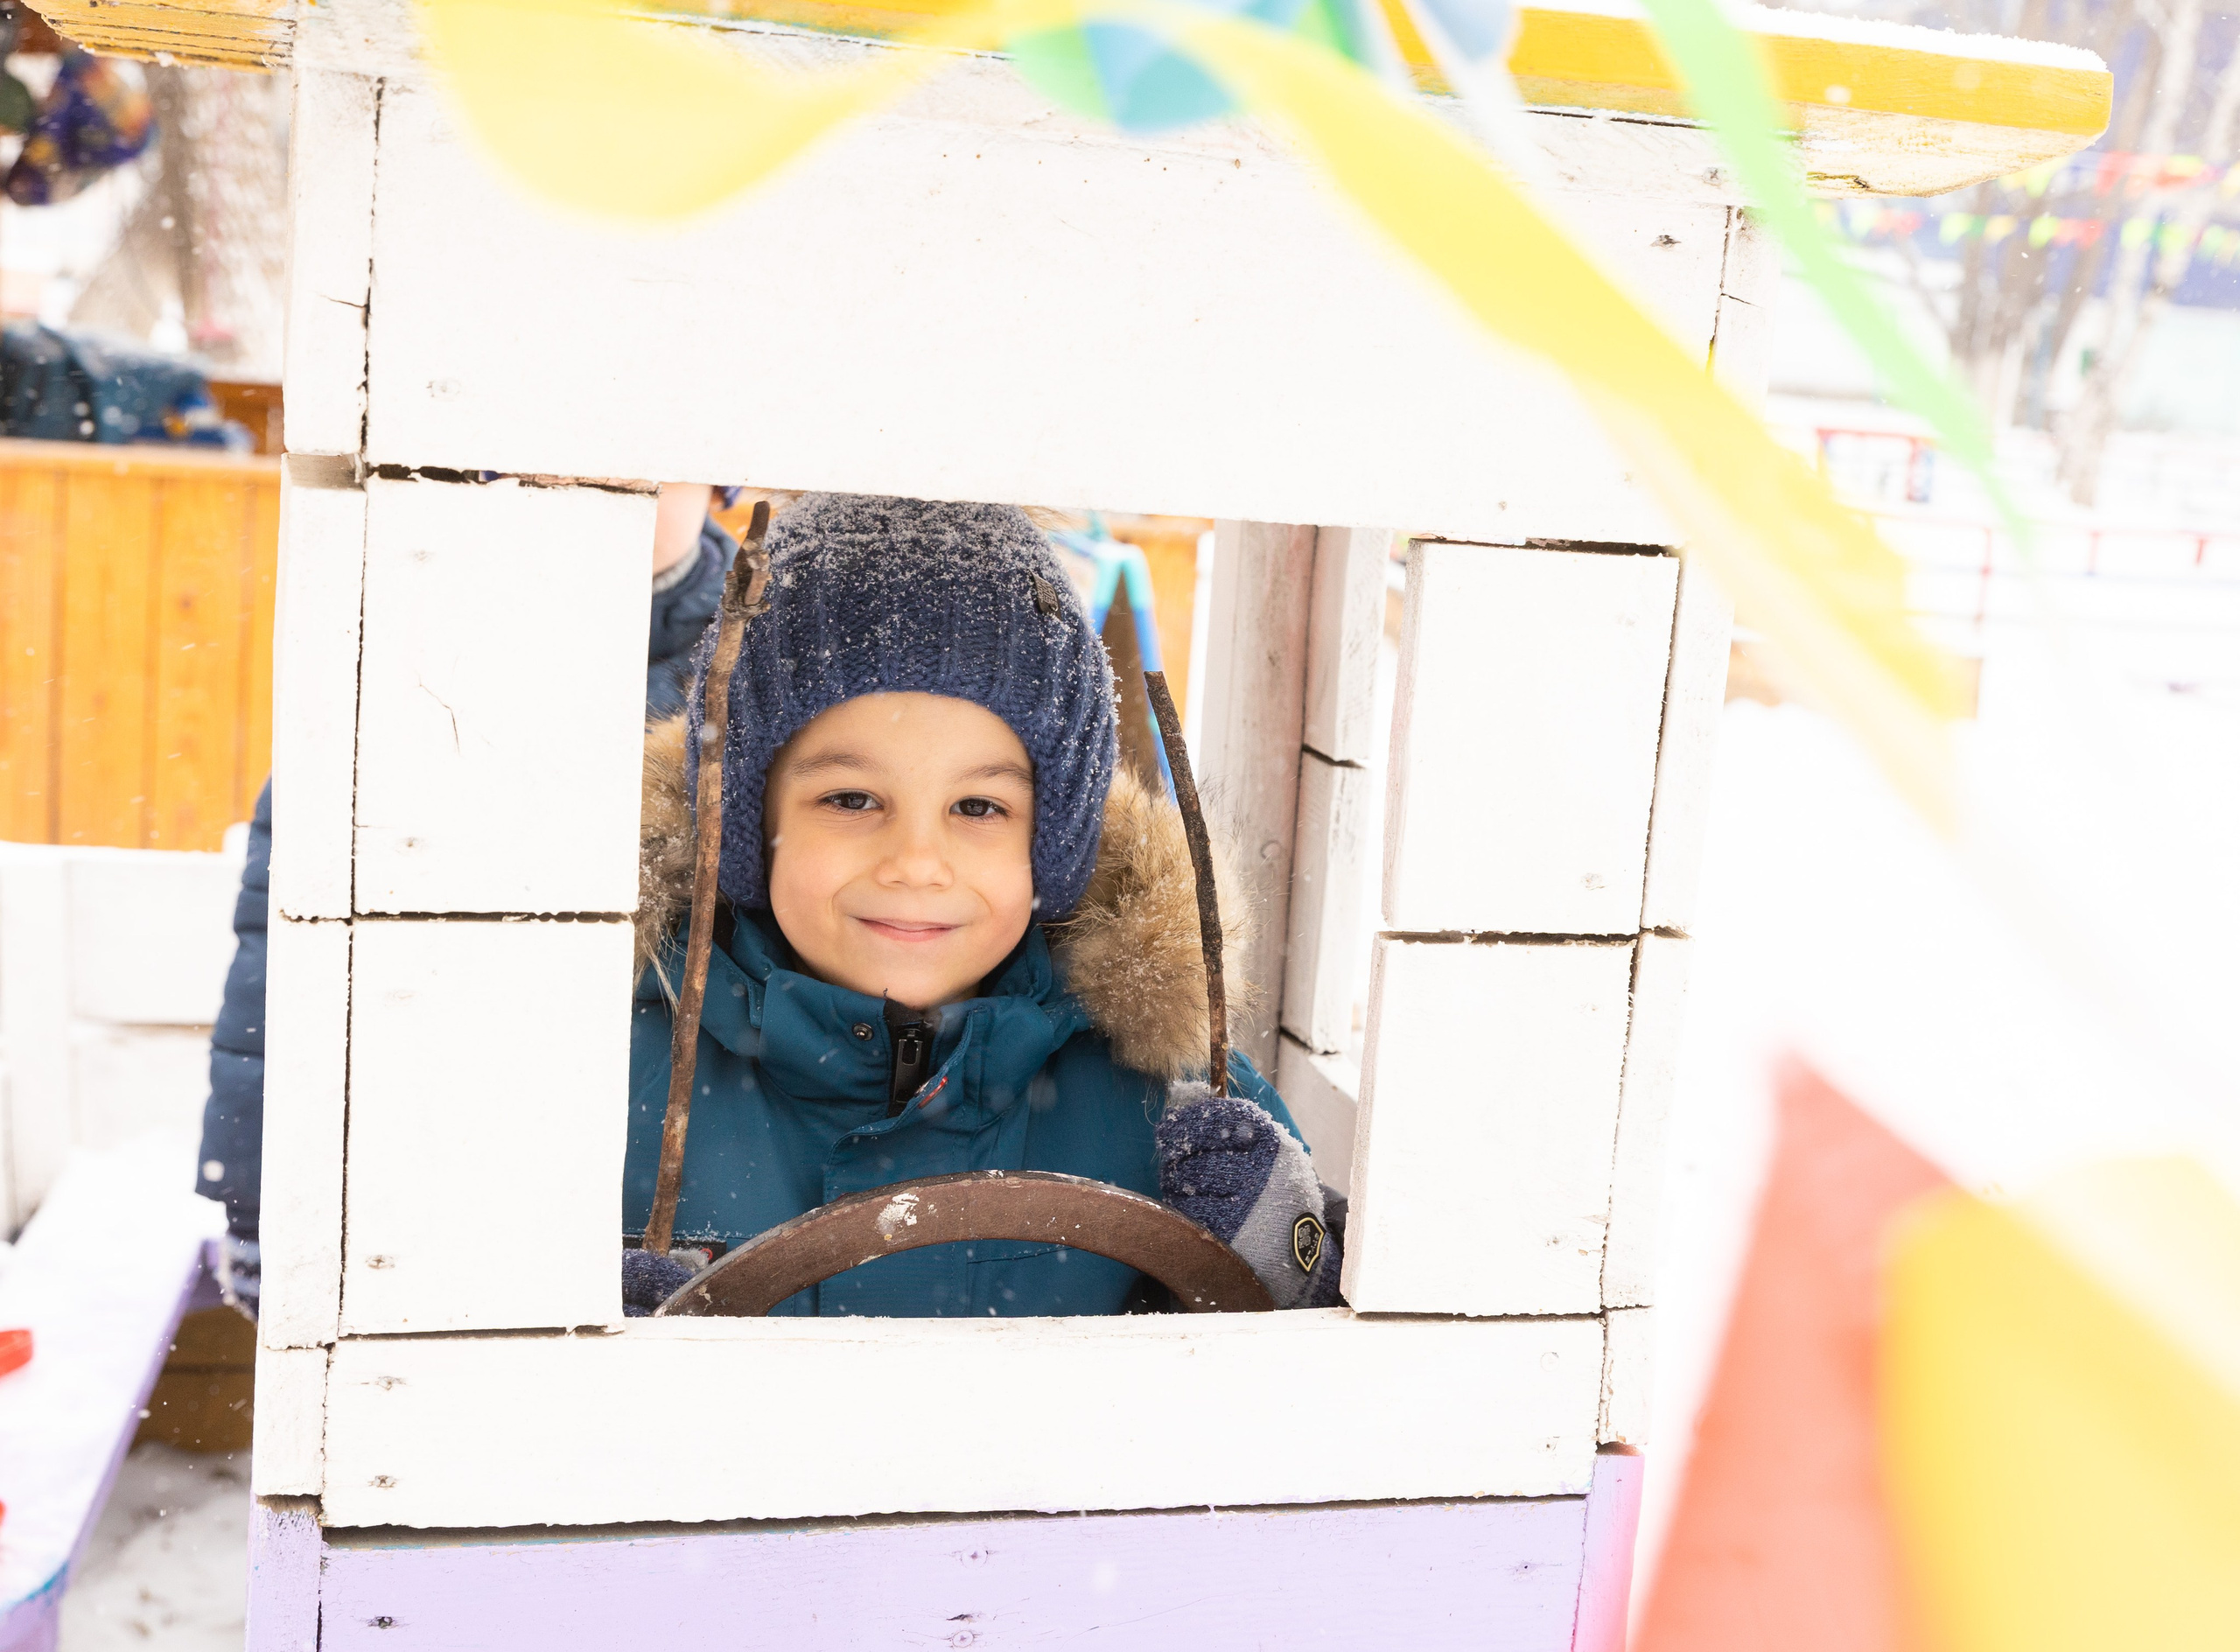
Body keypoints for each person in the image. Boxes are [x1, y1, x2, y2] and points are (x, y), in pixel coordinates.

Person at [621, 494, 1342, 1318]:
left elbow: (1354, 1377)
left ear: (1054, 844)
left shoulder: (1165, 1094)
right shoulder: (611, 1071)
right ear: (747, 821)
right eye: (853, 799)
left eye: (978, 809)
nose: (917, 864)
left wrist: (1283, 1258)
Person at [197, 482, 742, 1314]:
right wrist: (262, 1196)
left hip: (681, 1186)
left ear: (712, 480)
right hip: (435, 1165)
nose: (601, 487)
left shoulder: (767, 657)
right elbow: (288, 963)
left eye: (653, 464)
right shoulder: (412, 653)